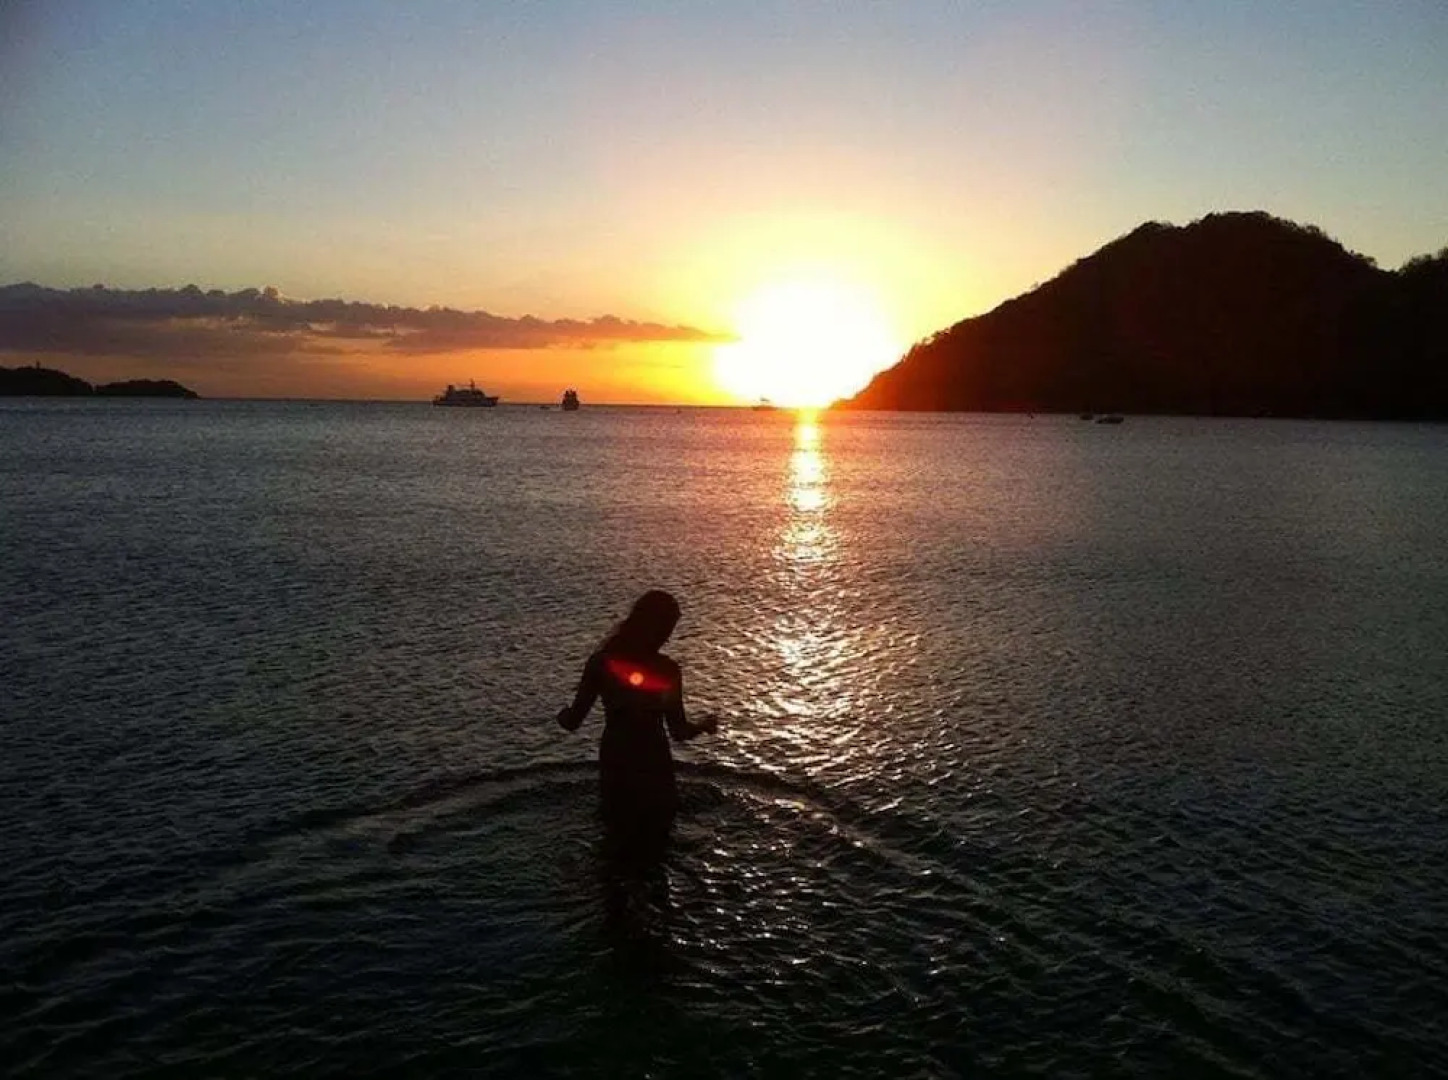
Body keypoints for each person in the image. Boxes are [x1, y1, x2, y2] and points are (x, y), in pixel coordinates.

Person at [557, 590, 717, 847]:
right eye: (667, 629)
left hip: (617, 752)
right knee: (658, 834)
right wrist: (705, 725)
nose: (667, 637)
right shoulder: (667, 669)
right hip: (653, 755)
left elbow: (573, 722)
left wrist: (561, 715)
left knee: (614, 832)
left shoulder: (601, 662)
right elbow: (679, 731)